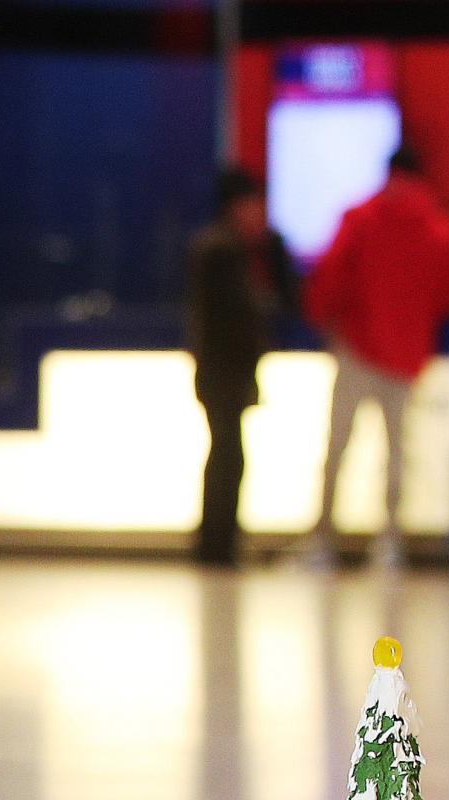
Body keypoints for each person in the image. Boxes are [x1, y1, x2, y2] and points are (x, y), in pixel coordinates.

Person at [301, 147, 449, 571]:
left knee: (338, 446)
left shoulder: (360, 219)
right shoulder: (440, 228)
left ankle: (322, 541)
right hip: (407, 356)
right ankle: (389, 543)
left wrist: (322, 320)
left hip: (357, 348)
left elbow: (329, 279)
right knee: (396, 453)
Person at [183, 168, 295, 568]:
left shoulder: (235, 248)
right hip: (222, 367)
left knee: (228, 453)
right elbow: (241, 311)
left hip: (224, 367)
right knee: (227, 455)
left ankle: (220, 542)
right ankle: (217, 545)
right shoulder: (221, 251)